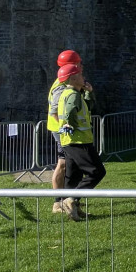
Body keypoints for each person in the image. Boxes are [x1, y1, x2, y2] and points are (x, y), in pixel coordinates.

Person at [46, 50, 95, 213]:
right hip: (62, 131)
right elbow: (55, 111)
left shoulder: (68, 82)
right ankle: (58, 202)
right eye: (79, 63)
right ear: (72, 65)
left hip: (65, 131)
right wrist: (68, 127)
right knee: (63, 164)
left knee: (71, 166)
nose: (81, 66)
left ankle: (69, 202)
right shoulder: (61, 86)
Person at [55, 63, 105, 220]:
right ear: (74, 78)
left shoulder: (72, 93)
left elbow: (87, 108)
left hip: (70, 141)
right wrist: (70, 124)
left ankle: (73, 210)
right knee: (97, 172)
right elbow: (70, 112)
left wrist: (89, 93)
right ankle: (71, 200)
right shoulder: (73, 95)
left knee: (74, 176)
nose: (84, 77)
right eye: (81, 75)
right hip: (78, 141)